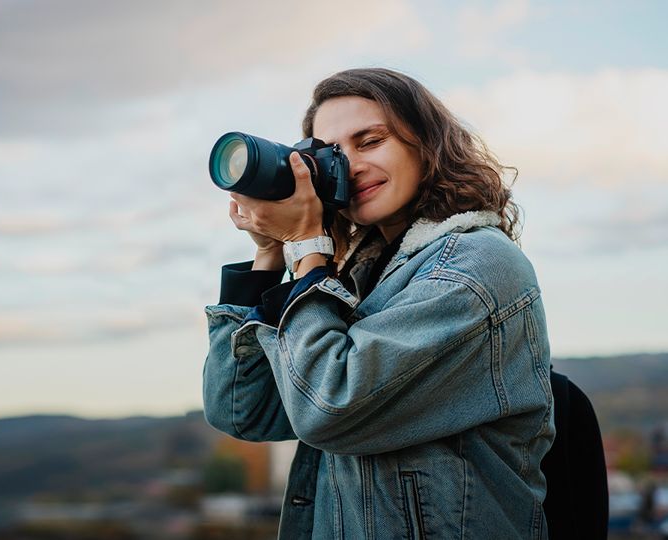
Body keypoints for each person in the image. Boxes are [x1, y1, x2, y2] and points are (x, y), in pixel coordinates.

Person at [202, 68, 554, 539]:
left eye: (370, 141)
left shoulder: (475, 266)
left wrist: (306, 246)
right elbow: (241, 410)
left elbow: (328, 406)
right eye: (332, 154)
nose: (351, 166)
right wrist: (268, 254)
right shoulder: (356, 276)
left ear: (426, 145)